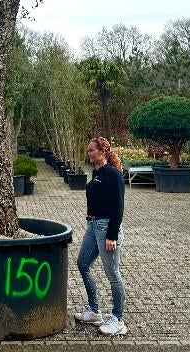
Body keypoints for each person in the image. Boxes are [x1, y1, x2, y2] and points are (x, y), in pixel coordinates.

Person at [73, 136, 126, 336]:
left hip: (106, 228)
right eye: (88, 151)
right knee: (83, 264)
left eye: (91, 150)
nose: (89, 153)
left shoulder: (113, 174)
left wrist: (111, 235)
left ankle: (118, 318)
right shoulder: (96, 173)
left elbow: (118, 207)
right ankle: (94, 311)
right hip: (93, 225)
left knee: (112, 274)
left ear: (102, 151)